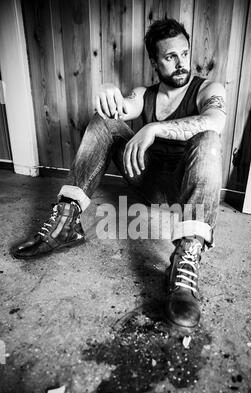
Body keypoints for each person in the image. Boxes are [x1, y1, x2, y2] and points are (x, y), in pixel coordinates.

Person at [12, 18, 226, 335]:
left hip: (187, 189)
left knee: (208, 138)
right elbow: (121, 109)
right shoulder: (145, 94)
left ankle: (186, 259)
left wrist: (154, 128)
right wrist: (108, 93)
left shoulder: (207, 88)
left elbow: (215, 120)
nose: (181, 63)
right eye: (170, 57)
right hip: (147, 180)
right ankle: (66, 223)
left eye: (184, 53)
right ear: (155, 62)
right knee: (103, 121)